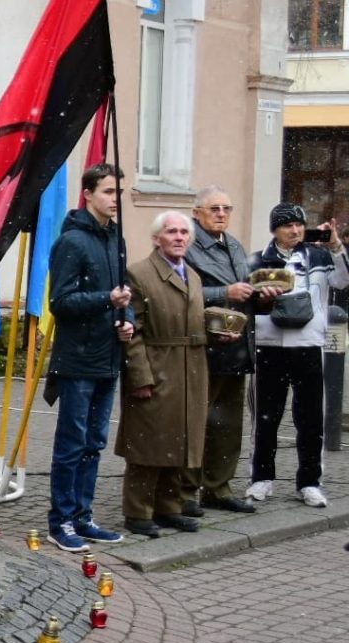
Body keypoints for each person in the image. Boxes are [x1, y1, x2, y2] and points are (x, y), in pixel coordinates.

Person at [43, 164, 133, 551]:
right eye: (109, 192)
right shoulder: (73, 242)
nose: (115, 199)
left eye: (119, 192)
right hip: (77, 358)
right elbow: (60, 302)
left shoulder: (117, 238)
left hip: (107, 356)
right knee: (72, 443)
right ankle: (60, 520)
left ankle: (83, 515)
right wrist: (105, 300)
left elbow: (122, 294)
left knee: (95, 441)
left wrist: (126, 320)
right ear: (88, 195)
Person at [245, 202, 349, 507]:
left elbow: (343, 280)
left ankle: (309, 481)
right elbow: (246, 299)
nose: (295, 230)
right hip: (270, 347)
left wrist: (336, 247)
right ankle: (261, 479)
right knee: (266, 419)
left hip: (308, 346)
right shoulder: (257, 260)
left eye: (299, 224)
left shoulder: (319, 256)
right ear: (274, 229)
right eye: (287, 225)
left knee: (310, 419)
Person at [116, 212, 208, 537]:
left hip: (189, 370)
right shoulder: (139, 274)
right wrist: (139, 377)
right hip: (156, 367)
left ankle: (169, 508)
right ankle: (138, 511)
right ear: (157, 238)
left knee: (179, 440)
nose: (179, 237)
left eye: (184, 232)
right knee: (147, 444)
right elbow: (132, 330)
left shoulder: (192, 276)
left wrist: (217, 333)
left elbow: (191, 318)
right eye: (171, 232)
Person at [180, 188, 258, 514]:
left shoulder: (235, 245)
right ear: (197, 212)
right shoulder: (187, 244)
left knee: (227, 425)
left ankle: (218, 487)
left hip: (236, 347)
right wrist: (224, 291)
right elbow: (182, 289)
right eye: (215, 208)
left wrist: (261, 293)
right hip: (203, 347)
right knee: (195, 423)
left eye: (227, 208)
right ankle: (184, 491)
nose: (222, 214)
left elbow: (244, 290)